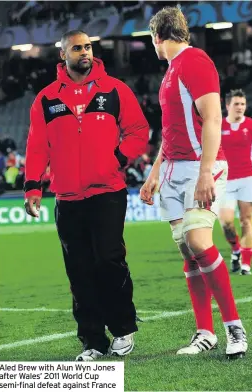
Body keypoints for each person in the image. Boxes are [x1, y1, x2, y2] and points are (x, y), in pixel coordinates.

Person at [24, 30, 149, 361]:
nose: (84, 52)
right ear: (63, 55)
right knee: (78, 271)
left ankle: (122, 329)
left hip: (108, 192)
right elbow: (37, 146)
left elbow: (138, 130)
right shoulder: (47, 99)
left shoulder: (115, 90)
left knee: (109, 260)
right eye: (77, 48)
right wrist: (33, 186)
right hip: (66, 199)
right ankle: (92, 340)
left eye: (88, 47)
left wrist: (119, 158)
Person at [140, 7, 247, 359]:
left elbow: (213, 118)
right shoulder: (172, 70)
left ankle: (234, 327)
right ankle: (205, 332)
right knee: (187, 250)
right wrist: (155, 171)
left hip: (201, 165)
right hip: (172, 168)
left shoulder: (195, 61)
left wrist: (205, 173)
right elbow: (171, 129)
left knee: (199, 242)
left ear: (158, 36)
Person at [219, 89, 252, 275]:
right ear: (227, 105)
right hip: (225, 181)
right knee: (226, 223)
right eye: (236, 104)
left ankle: (246, 265)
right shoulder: (217, 126)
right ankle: (236, 249)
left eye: (243, 104)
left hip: (248, 178)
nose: (240, 107)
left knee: (246, 221)